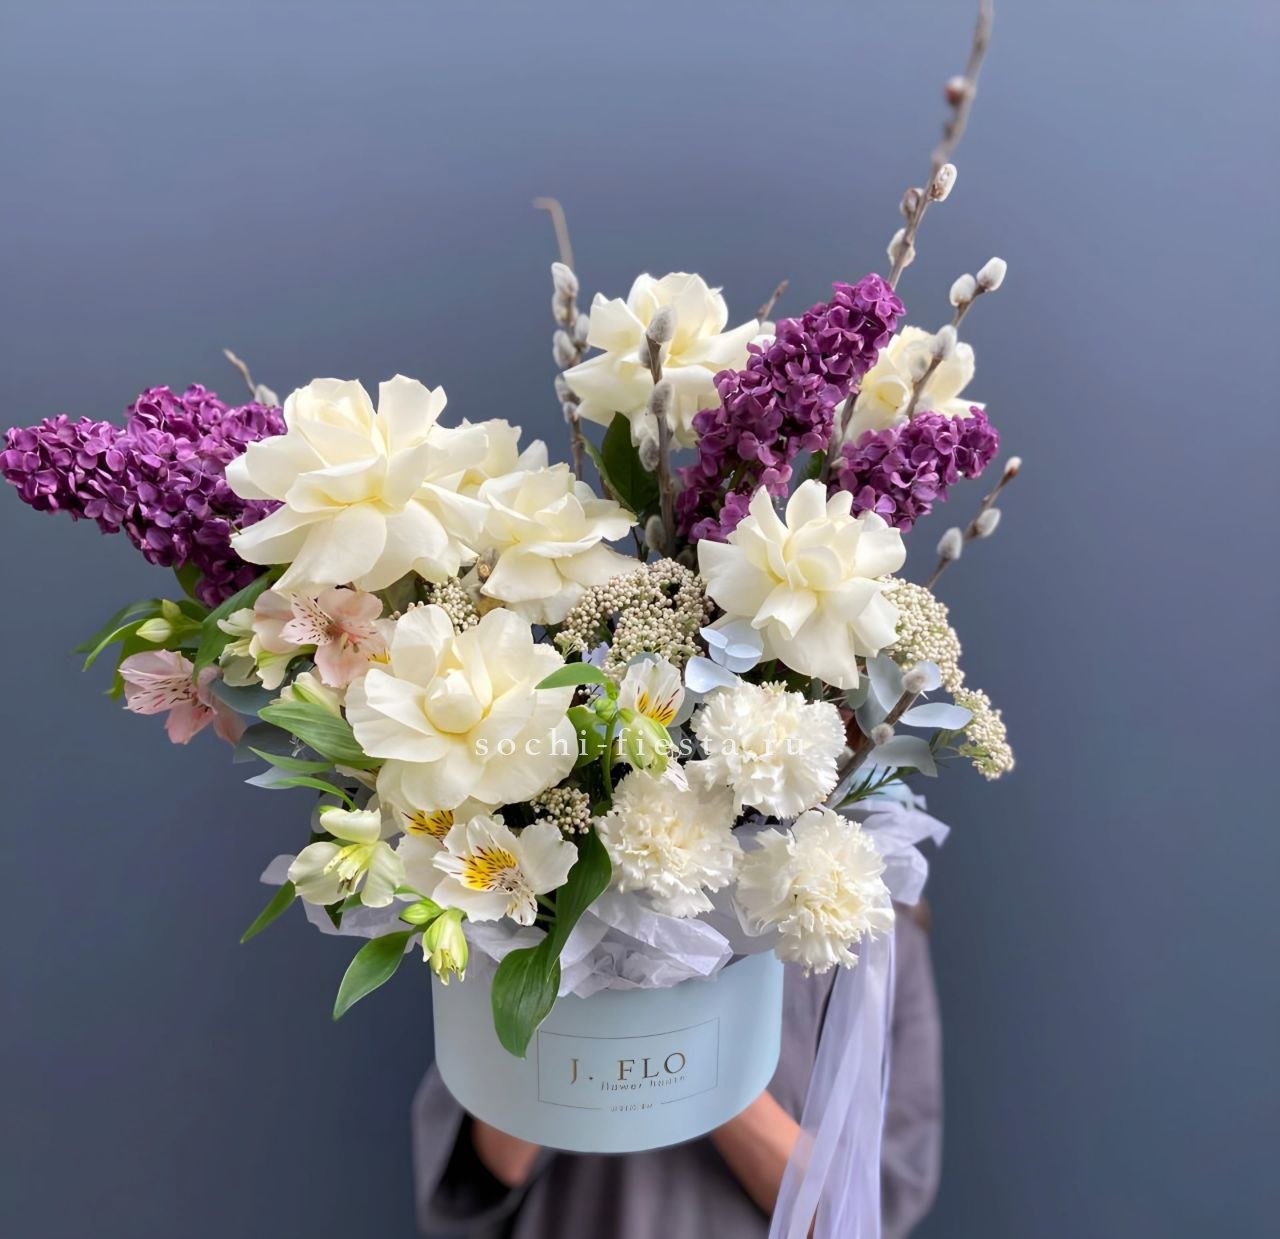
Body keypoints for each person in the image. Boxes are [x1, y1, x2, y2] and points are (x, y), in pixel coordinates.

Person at [411, 905, 943, 1238]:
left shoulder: (874, 933)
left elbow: (853, 1215)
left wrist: (682, 1031)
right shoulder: (528, 898)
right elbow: (488, 1167)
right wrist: (582, 923)